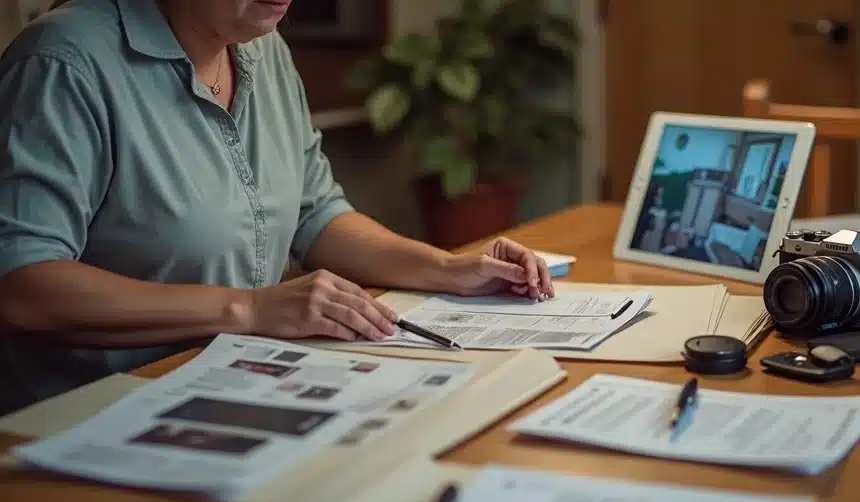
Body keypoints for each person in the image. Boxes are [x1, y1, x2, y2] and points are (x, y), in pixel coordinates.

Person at [0, 0, 555, 414]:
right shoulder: (62, 62)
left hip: (230, 389)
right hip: (84, 420)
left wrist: (447, 268)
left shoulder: (262, 47)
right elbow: (23, 287)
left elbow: (316, 214)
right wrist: (248, 310)